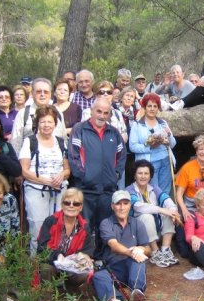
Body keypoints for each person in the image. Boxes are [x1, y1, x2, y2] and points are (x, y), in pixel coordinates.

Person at [68, 98, 126, 253]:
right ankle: (83, 259)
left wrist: (115, 175)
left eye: (106, 113)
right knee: (84, 226)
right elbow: (73, 155)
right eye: (99, 111)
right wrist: (84, 176)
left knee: (105, 227)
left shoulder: (113, 132)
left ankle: (101, 259)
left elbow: (121, 156)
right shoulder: (79, 129)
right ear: (92, 111)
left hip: (107, 189)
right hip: (86, 189)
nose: (101, 115)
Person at [19, 106, 70, 255]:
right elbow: (24, 170)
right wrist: (45, 181)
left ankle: (55, 267)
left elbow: (67, 169)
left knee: (59, 229)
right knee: (38, 230)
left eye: (49, 121)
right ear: (37, 124)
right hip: (36, 191)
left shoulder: (61, 142)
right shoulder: (30, 142)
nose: (46, 125)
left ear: (55, 124)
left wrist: (62, 175)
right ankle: (35, 270)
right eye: (43, 122)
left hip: (59, 191)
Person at [36, 188, 94, 301]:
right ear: (62, 204)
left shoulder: (84, 226)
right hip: (52, 263)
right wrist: (57, 255)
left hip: (71, 266)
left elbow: (88, 249)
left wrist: (84, 257)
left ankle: (69, 289)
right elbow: (41, 247)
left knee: (86, 271)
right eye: (67, 203)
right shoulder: (51, 221)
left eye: (76, 203)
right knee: (46, 268)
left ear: (81, 207)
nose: (71, 206)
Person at [92, 190, 150, 301]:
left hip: (132, 266)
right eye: (118, 204)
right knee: (98, 276)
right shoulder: (106, 223)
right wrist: (132, 252)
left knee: (139, 259)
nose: (122, 207)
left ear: (130, 205)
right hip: (112, 267)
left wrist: (141, 249)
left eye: (125, 203)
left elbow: (148, 248)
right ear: (112, 206)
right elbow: (113, 245)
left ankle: (137, 293)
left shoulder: (138, 224)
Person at [126, 160, 180, 268]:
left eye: (146, 173)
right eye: (140, 173)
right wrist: (161, 210)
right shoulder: (129, 190)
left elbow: (167, 200)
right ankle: (155, 252)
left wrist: (173, 211)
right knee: (147, 216)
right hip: (136, 232)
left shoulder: (154, 188)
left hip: (154, 229)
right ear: (134, 175)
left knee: (169, 213)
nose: (143, 176)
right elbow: (138, 206)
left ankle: (165, 249)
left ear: (150, 176)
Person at [129, 93, 176, 195]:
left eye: (155, 106)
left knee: (165, 191)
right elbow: (132, 146)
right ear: (144, 107)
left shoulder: (163, 123)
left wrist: (169, 137)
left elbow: (173, 144)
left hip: (165, 160)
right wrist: (149, 147)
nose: (152, 109)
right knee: (152, 191)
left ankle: (164, 210)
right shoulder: (137, 125)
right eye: (149, 106)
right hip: (148, 164)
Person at [10, 78, 67, 155]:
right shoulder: (23, 114)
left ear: (50, 94)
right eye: (39, 91)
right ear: (32, 93)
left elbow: (64, 139)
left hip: (56, 163)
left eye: (46, 92)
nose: (42, 94)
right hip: (30, 163)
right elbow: (15, 144)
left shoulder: (57, 112)